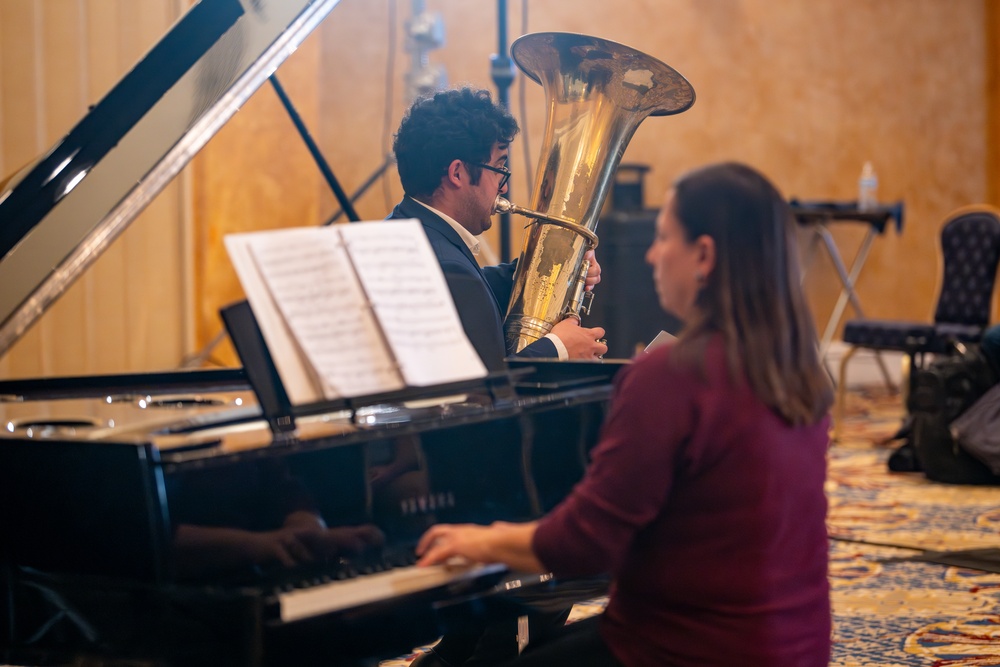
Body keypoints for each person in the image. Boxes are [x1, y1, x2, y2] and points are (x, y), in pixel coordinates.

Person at [415, 162, 835, 666]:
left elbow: (586, 542)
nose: (653, 255)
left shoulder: (671, 376)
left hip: (686, 647)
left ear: (703, 256)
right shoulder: (798, 371)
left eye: (663, 238)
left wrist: (482, 541)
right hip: (796, 645)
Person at [388, 86, 607, 370]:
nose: (503, 186)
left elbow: (475, 287)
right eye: (499, 168)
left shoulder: (404, 229)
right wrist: (559, 348)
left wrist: (561, 267)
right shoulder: (447, 266)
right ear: (457, 173)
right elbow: (488, 390)